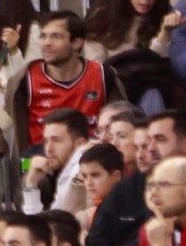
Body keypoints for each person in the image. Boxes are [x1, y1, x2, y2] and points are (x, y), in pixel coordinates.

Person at [15, 10, 126, 149]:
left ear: (77, 43)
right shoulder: (26, 79)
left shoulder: (103, 75)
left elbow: (122, 125)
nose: (46, 43)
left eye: (56, 36)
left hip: (92, 160)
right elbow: (21, 144)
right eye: (43, 36)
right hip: (45, 163)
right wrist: (27, 169)